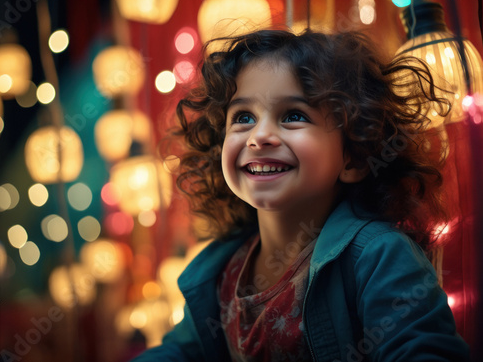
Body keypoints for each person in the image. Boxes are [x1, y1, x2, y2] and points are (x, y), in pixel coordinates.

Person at [131, 29, 470, 362]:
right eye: (243, 117)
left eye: (293, 116)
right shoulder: (222, 269)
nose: (259, 136)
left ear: (354, 156)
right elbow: (180, 352)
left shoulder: (379, 255)